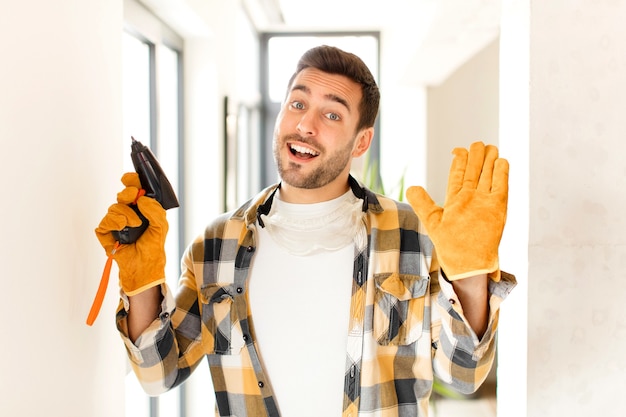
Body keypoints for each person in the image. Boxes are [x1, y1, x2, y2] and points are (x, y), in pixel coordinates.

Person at [96, 45, 515, 417]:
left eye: (332, 113)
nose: (306, 124)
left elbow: (463, 374)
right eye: (297, 104)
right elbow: (157, 375)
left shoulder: (413, 234)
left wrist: (470, 278)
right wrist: (141, 279)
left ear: (361, 141)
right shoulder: (216, 245)